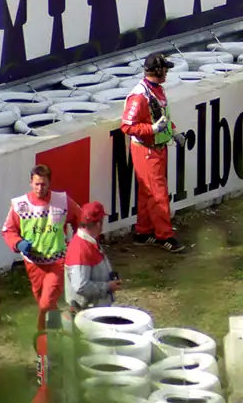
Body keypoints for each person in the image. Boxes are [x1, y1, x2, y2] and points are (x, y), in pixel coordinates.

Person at [0, 164, 80, 332]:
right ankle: (63, 329)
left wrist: (76, 246)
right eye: (36, 184)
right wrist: (18, 243)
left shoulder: (62, 201)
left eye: (43, 184)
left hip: (57, 261)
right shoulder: (19, 205)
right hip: (33, 263)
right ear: (31, 182)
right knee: (45, 303)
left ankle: (42, 342)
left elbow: (80, 219)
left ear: (49, 183)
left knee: (45, 304)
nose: (40, 188)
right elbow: (8, 230)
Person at [121, 52, 187, 253]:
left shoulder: (156, 90)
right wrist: (152, 130)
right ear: (158, 70)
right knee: (158, 194)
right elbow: (126, 126)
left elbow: (162, 116)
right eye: (165, 68)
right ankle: (164, 236)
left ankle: (143, 232)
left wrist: (172, 131)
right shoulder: (139, 96)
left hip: (156, 147)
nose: (167, 71)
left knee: (147, 192)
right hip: (146, 150)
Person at [64, 201, 119, 313]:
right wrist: (107, 286)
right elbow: (81, 286)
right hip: (88, 312)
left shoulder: (89, 241)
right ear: (98, 223)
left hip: (93, 308)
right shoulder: (80, 249)